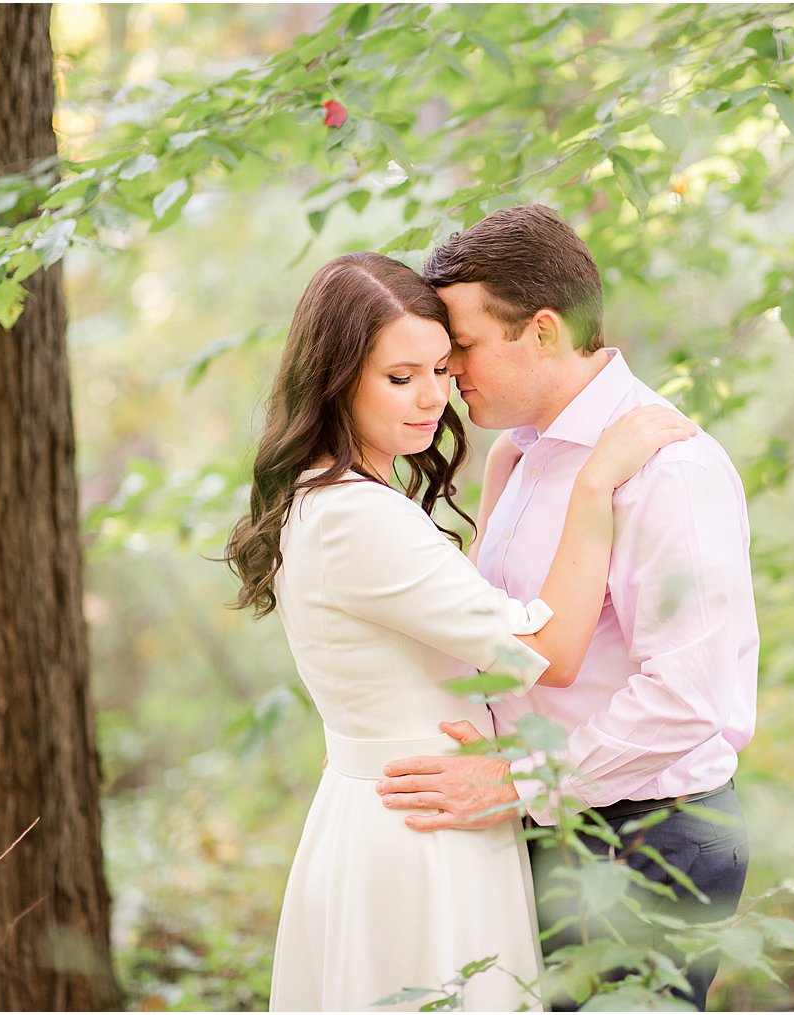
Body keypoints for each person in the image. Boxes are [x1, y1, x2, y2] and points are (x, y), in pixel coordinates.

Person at [223, 252, 695, 1012]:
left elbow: (449, 627)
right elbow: (542, 655)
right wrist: (594, 483)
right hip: (423, 834)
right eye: (400, 376)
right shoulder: (359, 517)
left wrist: (509, 476)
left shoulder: (333, 498)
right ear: (336, 375)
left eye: (444, 368)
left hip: (413, 809)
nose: (433, 398)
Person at [375, 206, 759, 1010]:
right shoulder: (521, 456)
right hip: (556, 825)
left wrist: (519, 785)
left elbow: (690, 696)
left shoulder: (669, 470)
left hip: (649, 836)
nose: (449, 375)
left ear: (543, 330)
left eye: (464, 348)